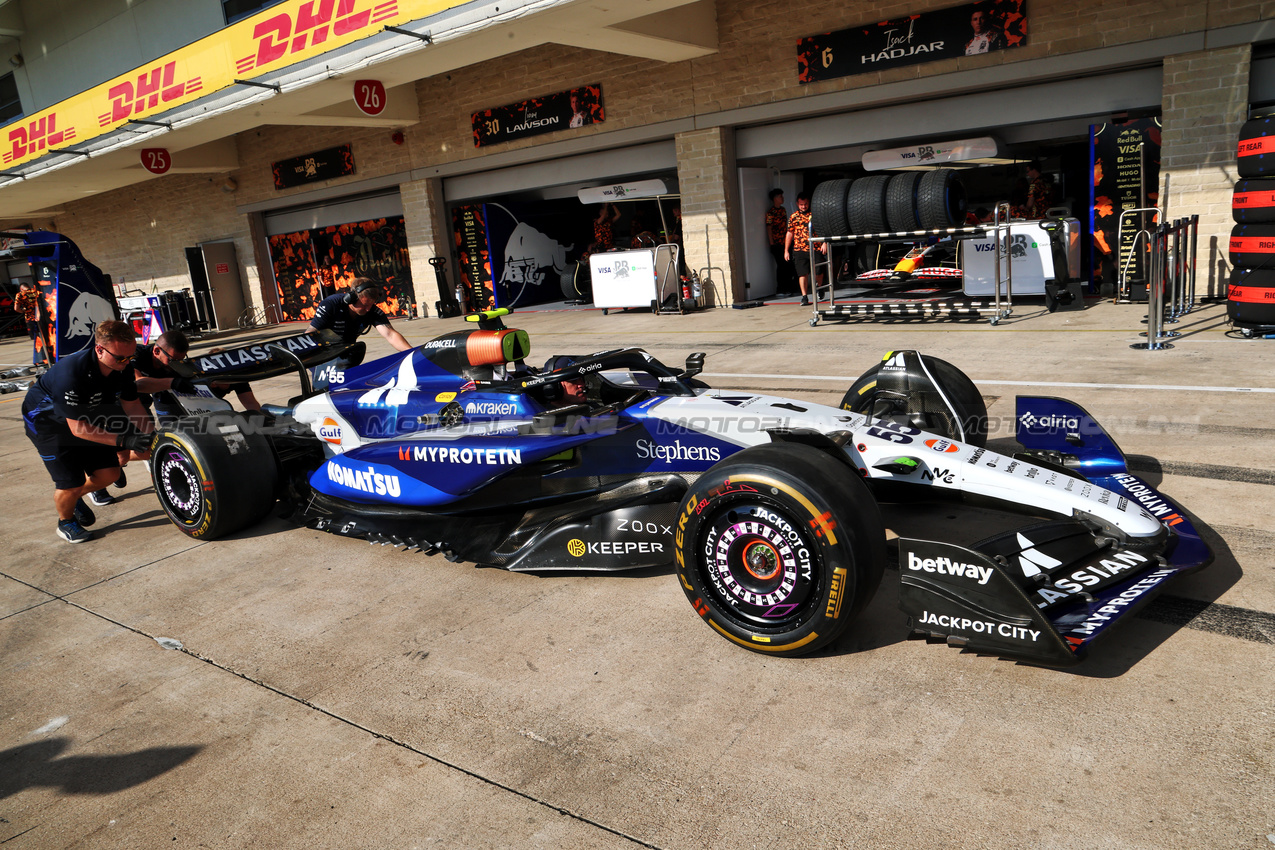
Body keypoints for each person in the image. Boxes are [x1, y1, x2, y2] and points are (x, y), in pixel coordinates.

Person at [22, 320, 154, 543]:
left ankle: (74, 497)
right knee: (70, 483)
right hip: (47, 424)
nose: (126, 362)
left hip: (85, 414)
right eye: (120, 358)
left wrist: (151, 435)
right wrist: (125, 439)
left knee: (109, 474)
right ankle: (65, 521)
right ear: (100, 350)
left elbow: (132, 404)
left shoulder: (122, 367)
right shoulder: (72, 373)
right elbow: (78, 429)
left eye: (130, 357)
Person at [309, 278, 413, 352]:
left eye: (371, 304)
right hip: (323, 352)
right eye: (365, 305)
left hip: (346, 352)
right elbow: (310, 334)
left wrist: (412, 353)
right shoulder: (331, 305)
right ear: (351, 299)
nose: (368, 309)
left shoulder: (372, 310)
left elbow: (390, 335)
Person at [784, 192, 826, 306]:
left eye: (806, 204)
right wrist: (786, 250)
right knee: (802, 274)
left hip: (815, 248)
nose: (804, 206)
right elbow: (789, 233)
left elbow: (823, 229)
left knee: (818, 272)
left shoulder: (815, 215)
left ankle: (820, 287)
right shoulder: (793, 217)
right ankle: (804, 296)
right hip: (799, 249)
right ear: (797, 204)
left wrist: (824, 243)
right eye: (801, 204)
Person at [765, 189, 796, 295]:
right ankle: (780, 289)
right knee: (781, 266)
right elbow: (769, 227)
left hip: (785, 242)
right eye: (779, 196)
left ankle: (789, 287)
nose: (782, 198)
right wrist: (772, 243)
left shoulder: (783, 210)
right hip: (777, 243)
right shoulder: (770, 213)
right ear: (774, 198)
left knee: (788, 265)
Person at [13, 281, 46, 366]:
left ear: (21, 288)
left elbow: (16, 308)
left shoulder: (20, 294)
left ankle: (39, 359)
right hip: (42, 317)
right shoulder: (36, 291)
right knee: (45, 337)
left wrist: (23, 311)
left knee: (36, 339)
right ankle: (47, 356)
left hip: (30, 318)